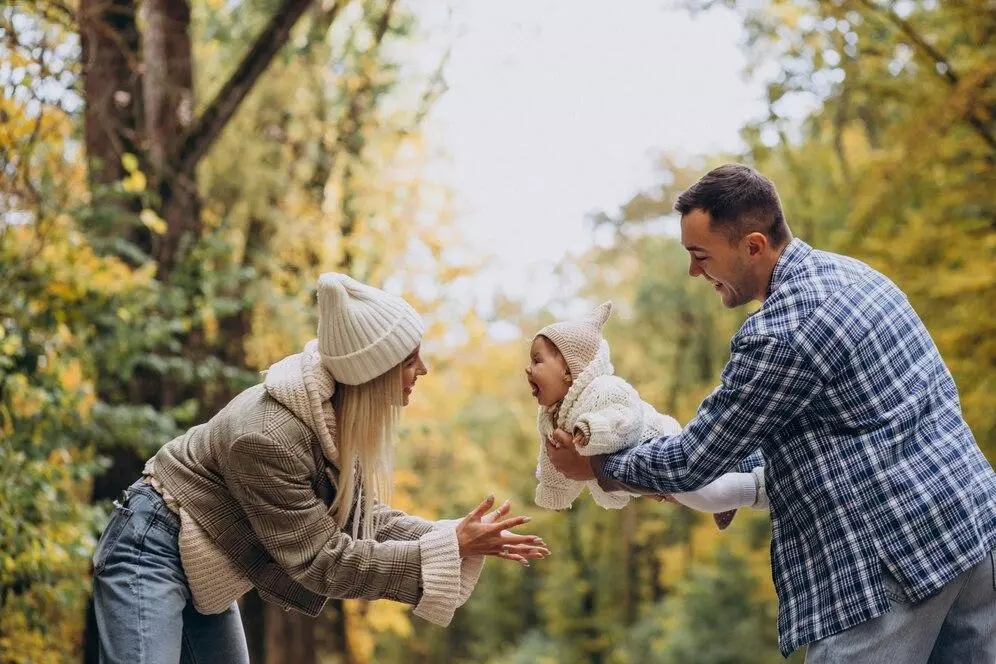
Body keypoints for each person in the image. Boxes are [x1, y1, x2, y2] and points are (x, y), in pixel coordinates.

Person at [546, 164, 996, 662]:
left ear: (753, 246)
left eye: (700, 256)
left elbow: (694, 458)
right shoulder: (858, 277)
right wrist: (738, 480)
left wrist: (598, 467)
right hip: (973, 533)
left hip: (896, 562)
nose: (694, 272)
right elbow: (839, 431)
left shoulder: (782, 332)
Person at [91, 273, 549, 664]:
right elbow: (320, 560)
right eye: (410, 361)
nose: (423, 370)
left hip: (203, 559)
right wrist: (446, 547)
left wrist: (455, 538)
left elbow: (364, 523)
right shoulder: (268, 437)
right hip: (150, 548)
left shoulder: (329, 418)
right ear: (374, 371)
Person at [528, 300, 766, 528]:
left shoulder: (604, 388)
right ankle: (734, 476)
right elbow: (552, 460)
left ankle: (759, 487)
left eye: (537, 361)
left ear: (568, 371)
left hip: (658, 445)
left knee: (704, 495)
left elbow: (625, 415)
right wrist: (555, 494)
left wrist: (591, 429)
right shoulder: (550, 418)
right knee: (692, 495)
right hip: (634, 469)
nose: (528, 368)